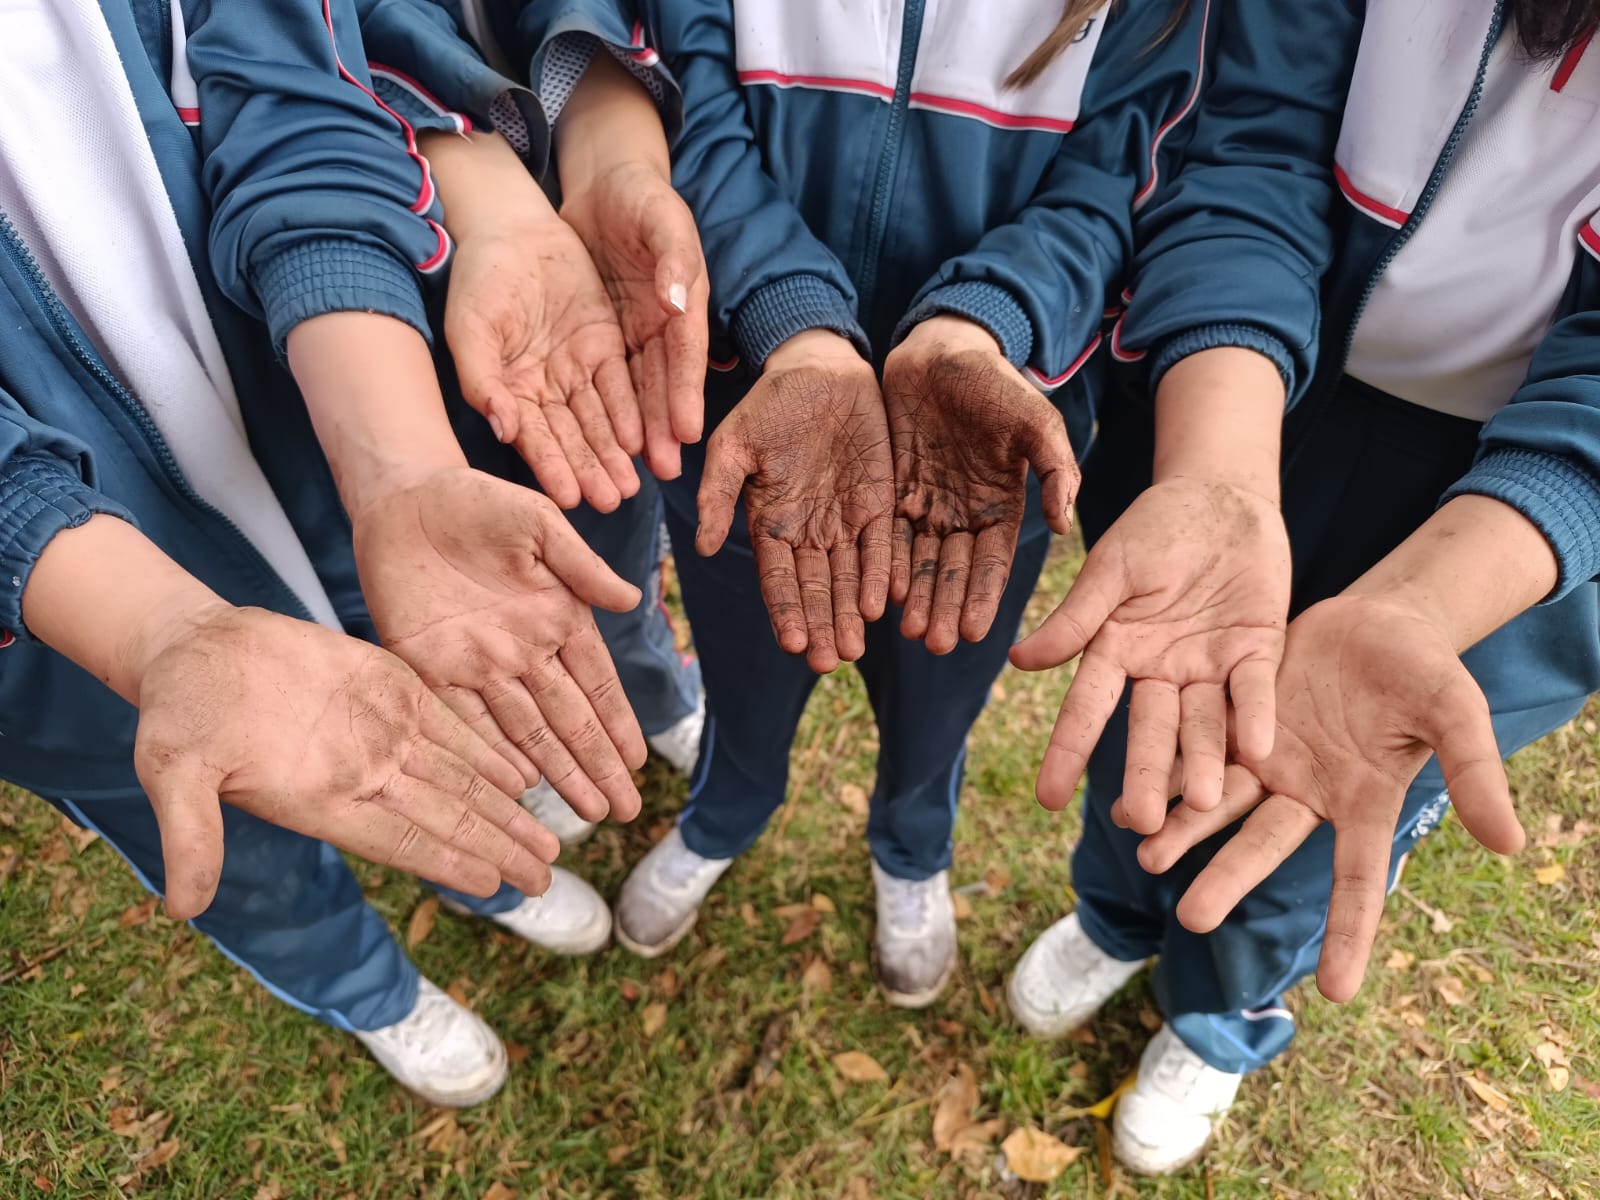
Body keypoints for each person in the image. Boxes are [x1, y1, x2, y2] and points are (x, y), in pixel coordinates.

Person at [1, 0, 676, 1108]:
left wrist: (396, 466)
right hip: (64, 627)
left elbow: (299, 87)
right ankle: (364, 986)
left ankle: (485, 882)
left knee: (442, 720)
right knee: (238, 843)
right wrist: (157, 630)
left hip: (314, 426)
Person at [1006, 0, 1600, 1172]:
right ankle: (1116, 916)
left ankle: (1220, 1015)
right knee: (1160, 700)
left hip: (1507, 517)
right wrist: (1220, 473)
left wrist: (1425, 605)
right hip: (1261, 385)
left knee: (1325, 793)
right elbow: (1244, 147)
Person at [592, 0, 1246, 1008]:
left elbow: (1119, 181)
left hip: (981, 456)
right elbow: (690, 108)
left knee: (935, 710)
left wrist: (979, 324)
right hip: (751, 423)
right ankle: (726, 809)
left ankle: (911, 849)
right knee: (745, 682)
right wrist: (795, 321)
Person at [393, 4, 714, 845]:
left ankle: (652, 690)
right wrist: (484, 196)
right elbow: (304, 55)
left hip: (593, 294)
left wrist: (615, 153)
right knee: (460, 575)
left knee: (617, 529)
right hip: (379, 288)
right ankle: (531, 742)